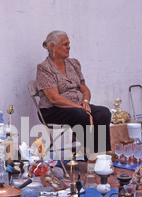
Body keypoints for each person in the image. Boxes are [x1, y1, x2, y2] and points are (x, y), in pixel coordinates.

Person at [35, 30, 111, 158]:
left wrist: (85, 102)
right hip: (53, 110)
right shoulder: (44, 68)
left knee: (103, 112)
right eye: (65, 44)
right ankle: (91, 153)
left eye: (69, 43)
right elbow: (54, 98)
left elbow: (84, 89)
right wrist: (78, 107)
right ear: (53, 46)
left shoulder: (73, 64)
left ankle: (102, 154)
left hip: (78, 107)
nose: (68, 47)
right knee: (80, 115)